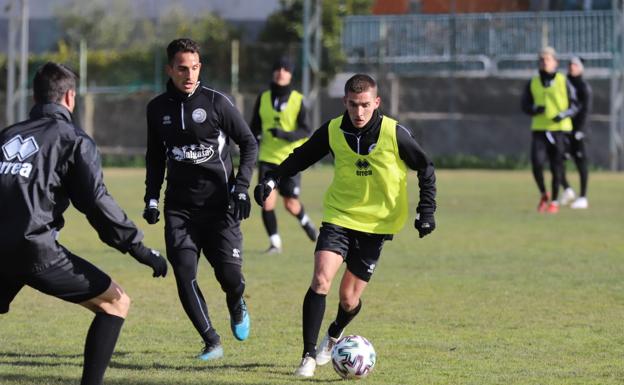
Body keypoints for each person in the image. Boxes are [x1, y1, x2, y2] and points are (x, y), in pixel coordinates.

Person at [254, 74, 437, 377]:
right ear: (345, 102)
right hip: (339, 215)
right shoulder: (334, 129)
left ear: (376, 102)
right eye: (353, 105)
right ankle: (308, 357)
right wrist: (272, 178)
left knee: (349, 299)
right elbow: (302, 156)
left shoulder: (395, 133)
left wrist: (426, 211)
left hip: (377, 223)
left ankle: (335, 332)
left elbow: (426, 167)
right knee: (321, 280)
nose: (359, 112)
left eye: (365, 105)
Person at [0, 62, 168, 385]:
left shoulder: (8, 135)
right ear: (70, 97)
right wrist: (139, 249)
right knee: (116, 302)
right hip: (34, 249)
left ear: (35, 97)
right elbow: (96, 203)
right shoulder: (73, 139)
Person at [142, 38, 257, 360]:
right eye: (182, 68)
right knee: (184, 272)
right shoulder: (157, 109)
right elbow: (154, 157)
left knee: (231, 278)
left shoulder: (218, 103)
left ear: (200, 68)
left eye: (194, 68)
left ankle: (236, 302)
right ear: (170, 69)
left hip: (221, 207)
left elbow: (248, 144)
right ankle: (211, 340)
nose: (189, 74)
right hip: (180, 209)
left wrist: (242, 187)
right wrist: (152, 198)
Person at [249, 57, 317, 253]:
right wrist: (252, 140)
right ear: (273, 72)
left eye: (286, 69)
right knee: (266, 201)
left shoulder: (298, 99)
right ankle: (275, 243)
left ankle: (305, 222)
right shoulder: (263, 97)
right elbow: (254, 127)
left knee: (290, 204)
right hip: (267, 159)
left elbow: (306, 130)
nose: (281, 72)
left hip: (291, 160)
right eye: (278, 68)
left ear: (291, 74)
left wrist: (285, 135)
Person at [521, 46, 579, 214]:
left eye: (547, 59)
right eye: (542, 60)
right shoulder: (533, 82)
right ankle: (543, 193)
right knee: (537, 164)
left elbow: (575, 104)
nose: (544, 62)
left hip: (560, 130)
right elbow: (524, 105)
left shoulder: (563, 80)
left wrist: (564, 114)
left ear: (555, 62)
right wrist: (534, 109)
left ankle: (554, 201)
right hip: (540, 129)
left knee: (557, 166)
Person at [559, 56, 592, 209]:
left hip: (577, 131)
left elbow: (585, 111)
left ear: (580, 68)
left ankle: (583, 197)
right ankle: (567, 189)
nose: (572, 67)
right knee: (556, 161)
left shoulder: (583, 87)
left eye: (575, 65)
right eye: (570, 64)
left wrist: (580, 130)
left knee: (581, 162)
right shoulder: (563, 83)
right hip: (563, 129)